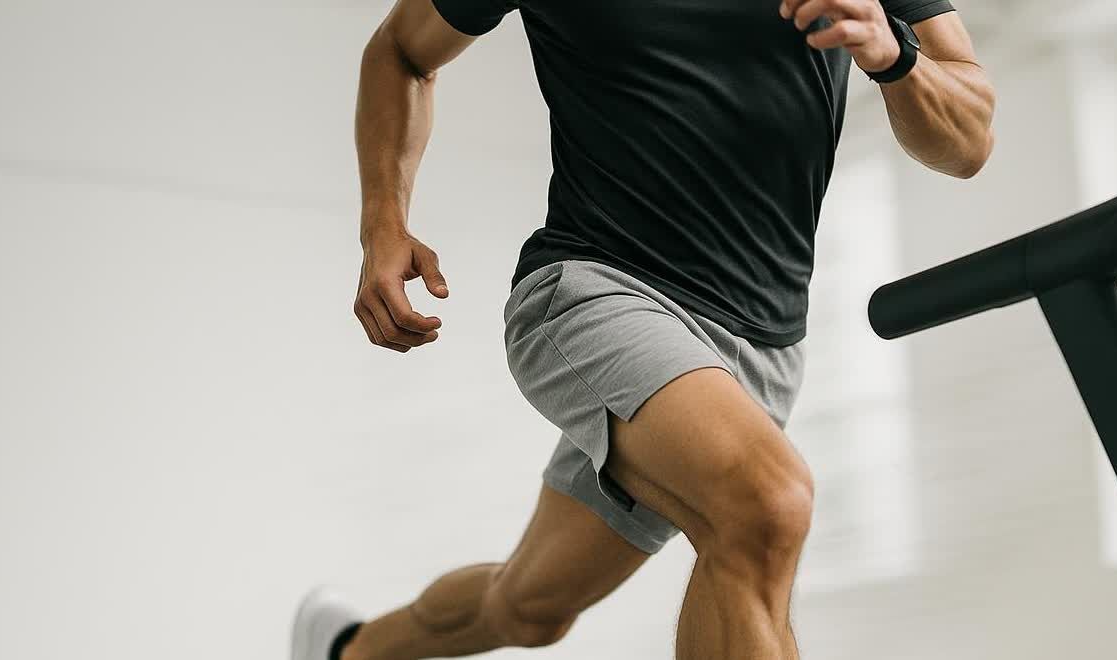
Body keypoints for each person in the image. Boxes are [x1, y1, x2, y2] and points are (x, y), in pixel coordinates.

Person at [291, 0, 994, 657]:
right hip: (596, 293)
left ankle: (346, 649)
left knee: (532, 605)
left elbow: (969, 141)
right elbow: (402, 53)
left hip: (761, 348)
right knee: (766, 507)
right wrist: (383, 223)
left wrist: (892, 52)